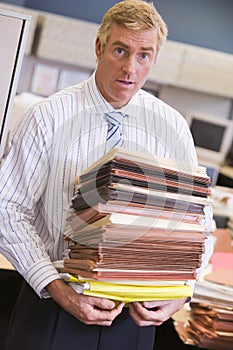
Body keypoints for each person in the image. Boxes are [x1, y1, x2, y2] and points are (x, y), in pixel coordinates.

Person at [0, 1, 213, 349]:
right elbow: (7, 209)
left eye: (144, 55)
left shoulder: (172, 127)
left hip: (136, 320)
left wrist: (182, 292)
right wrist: (56, 288)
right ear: (99, 47)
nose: (130, 67)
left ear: (155, 58)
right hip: (54, 308)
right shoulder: (47, 117)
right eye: (120, 50)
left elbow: (196, 222)